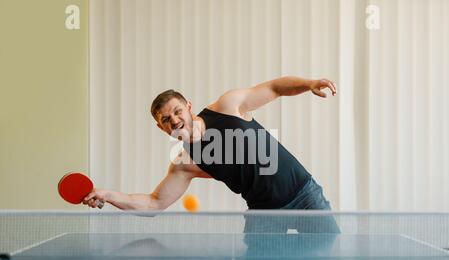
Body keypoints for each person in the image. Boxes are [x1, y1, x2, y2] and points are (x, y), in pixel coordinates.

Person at [84, 76, 340, 233]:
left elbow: (274, 87)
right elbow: (154, 204)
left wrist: (309, 84)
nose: (174, 120)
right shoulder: (185, 164)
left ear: (189, 107)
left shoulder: (228, 106)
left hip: (304, 195)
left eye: (177, 111)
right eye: (165, 119)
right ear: (160, 127)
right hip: (264, 214)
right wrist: (108, 195)